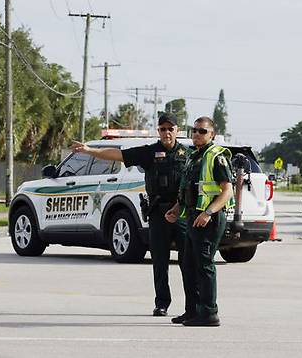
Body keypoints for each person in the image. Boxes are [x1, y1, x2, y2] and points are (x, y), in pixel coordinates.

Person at [70, 113, 193, 318]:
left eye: (170, 129)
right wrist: (90, 150)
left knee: (187, 261)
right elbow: (119, 155)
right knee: (159, 261)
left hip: (181, 213)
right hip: (158, 212)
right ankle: (162, 302)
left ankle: (192, 306)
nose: (166, 133)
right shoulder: (150, 152)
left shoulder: (187, 154)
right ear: (158, 131)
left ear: (177, 131)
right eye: (162, 129)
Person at [165, 116, 234, 327]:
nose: (197, 134)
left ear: (212, 134)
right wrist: (177, 209)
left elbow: (227, 191)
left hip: (209, 220)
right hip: (193, 217)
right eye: (194, 130)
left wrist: (209, 212)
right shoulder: (194, 156)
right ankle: (193, 310)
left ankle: (209, 312)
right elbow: (189, 189)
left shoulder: (216, 156)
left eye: (202, 131)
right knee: (188, 264)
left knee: (204, 265)